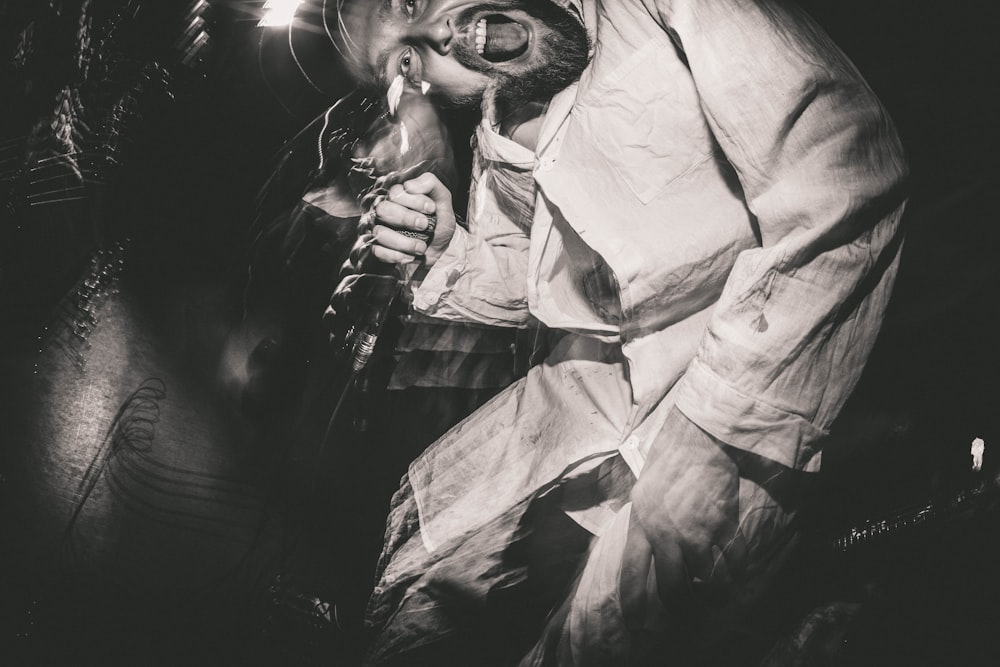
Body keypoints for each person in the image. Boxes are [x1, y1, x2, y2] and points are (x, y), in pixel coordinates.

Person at [323, 0, 908, 663]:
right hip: (578, 429)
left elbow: (846, 172)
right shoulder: (501, 122)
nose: (434, 35)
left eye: (406, 2)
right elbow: (539, 285)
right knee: (426, 612)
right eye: (407, 61)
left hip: (727, 430)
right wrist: (450, 248)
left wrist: (707, 438)